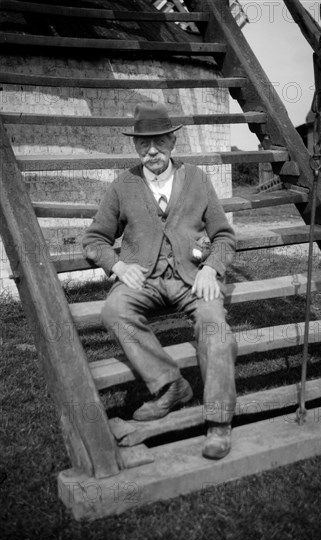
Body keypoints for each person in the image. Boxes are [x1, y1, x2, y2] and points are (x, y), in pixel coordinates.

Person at [82, 102, 237, 460]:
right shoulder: (124, 185)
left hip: (193, 278)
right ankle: (171, 386)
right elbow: (94, 239)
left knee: (215, 325)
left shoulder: (197, 179)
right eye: (143, 143)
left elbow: (226, 238)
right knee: (115, 309)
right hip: (144, 280)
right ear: (135, 146)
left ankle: (218, 422)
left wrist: (212, 268)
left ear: (171, 141)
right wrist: (118, 267)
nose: (151, 150)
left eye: (159, 141)